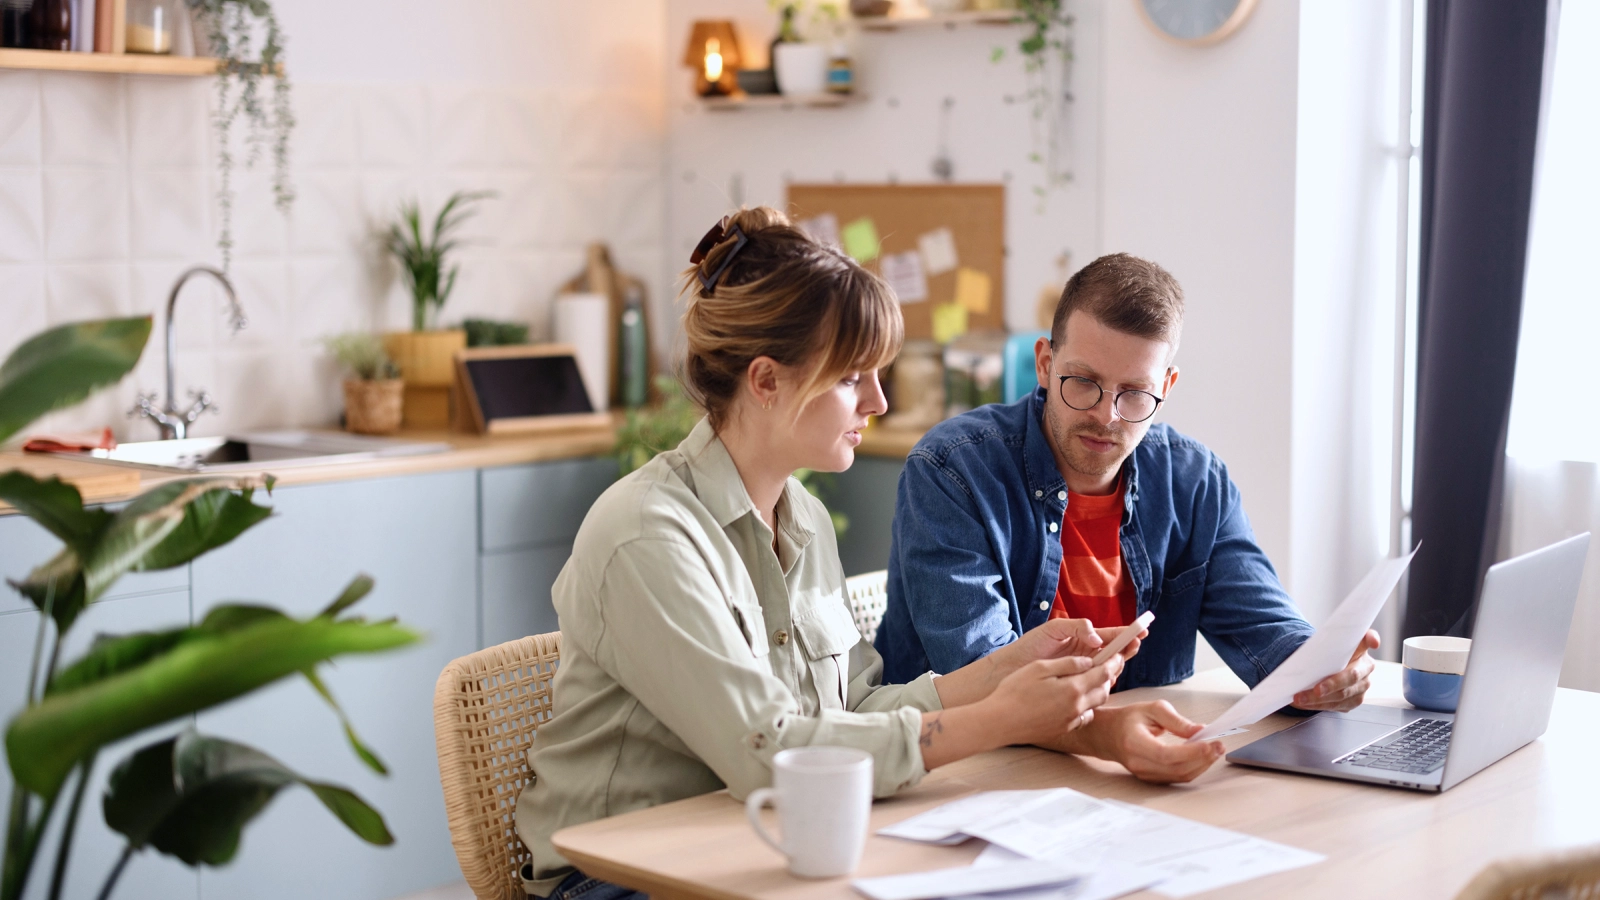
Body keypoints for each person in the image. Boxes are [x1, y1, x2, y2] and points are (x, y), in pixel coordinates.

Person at [515, 208, 1137, 900]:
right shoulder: (646, 534)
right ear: (766, 381)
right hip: (617, 878)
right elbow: (772, 755)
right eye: (851, 378)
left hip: (755, 842)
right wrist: (999, 719)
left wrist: (1004, 670)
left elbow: (852, 707)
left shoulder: (802, 515)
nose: (877, 400)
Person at [873, 252, 1380, 785]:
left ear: (1167, 386)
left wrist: (1323, 671)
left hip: (1122, 775)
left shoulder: (1195, 481)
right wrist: (1107, 734)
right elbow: (983, 678)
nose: (1105, 415)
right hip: (957, 774)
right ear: (1045, 363)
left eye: (1135, 393)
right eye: (1083, 382)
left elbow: (1269, 632)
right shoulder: (953, 470)